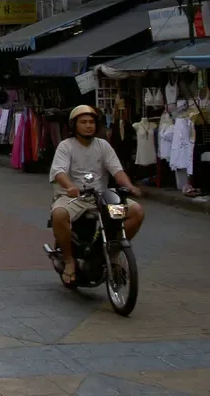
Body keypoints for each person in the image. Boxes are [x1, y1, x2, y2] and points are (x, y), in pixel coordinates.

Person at [49, 105, 145, 286]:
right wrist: (70, 186)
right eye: (83, 122)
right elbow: (59, 172)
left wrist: (130, 186)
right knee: (59, 214)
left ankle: (112, 251)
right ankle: (69, 260)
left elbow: (117, 171)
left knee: (136, 211)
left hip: (101, 199)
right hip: (73, 199)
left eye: (91, 122)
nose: (88, 126)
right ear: (74, 125)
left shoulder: (103, 145)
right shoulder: (65, 146)